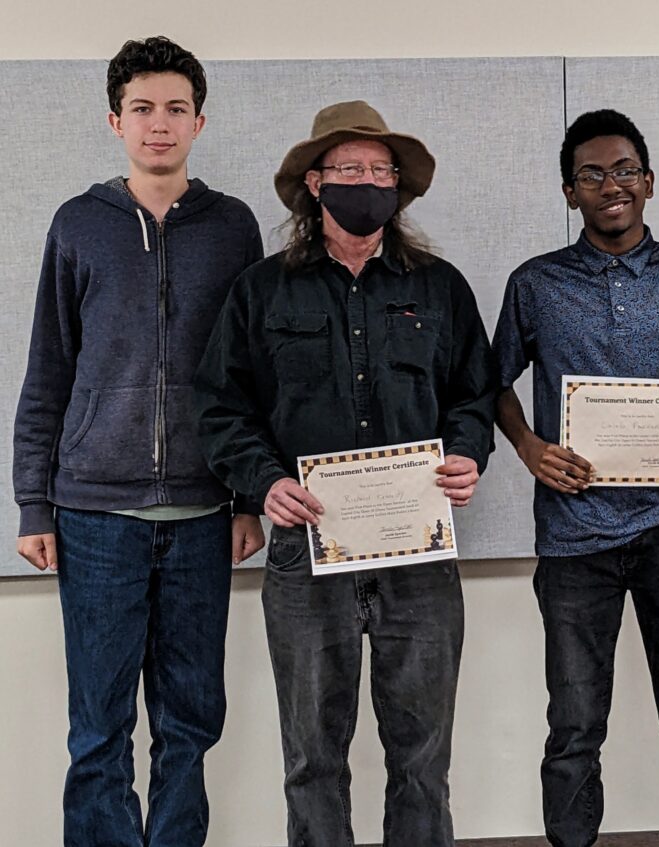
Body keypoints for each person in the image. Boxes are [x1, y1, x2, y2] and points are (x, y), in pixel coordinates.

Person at [193, 100, 497, 846]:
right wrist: (264, 481)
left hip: (417, 552)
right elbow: (220, 405)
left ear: (399, 186)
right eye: (349, 169)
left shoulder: (441, 287)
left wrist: (467, 452)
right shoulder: (261, 292)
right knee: (312, 756)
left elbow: (475, 393)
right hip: (307, 553)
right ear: (315, 184)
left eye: (380, 169)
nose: (367, 181)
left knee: (423, 754)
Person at [12, 36, 265, 847]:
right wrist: (32, 503)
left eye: (176, 110)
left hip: (202, 514)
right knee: (99, 726)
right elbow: (48, 369)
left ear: (200, 121)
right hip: (93, 515)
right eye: (143, 109)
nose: (160, 124)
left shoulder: (232, 228)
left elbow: (255, 374)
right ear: (115, 121)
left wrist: (250, 494)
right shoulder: (79, 225)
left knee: (191, 721)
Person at [492, 109, 659, 847]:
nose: (612, 185)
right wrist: (528, 445)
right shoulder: (535, 284)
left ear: (650, 181)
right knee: (573, 727)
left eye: (626, 170)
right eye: (593, 174)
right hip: (574, 541)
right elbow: (492, 384)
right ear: (569, 192)